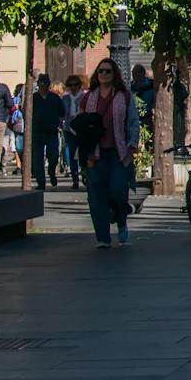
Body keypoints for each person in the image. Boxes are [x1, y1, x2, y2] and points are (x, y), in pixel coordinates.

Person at [78, 58, 134, 247]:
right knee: (96, 195)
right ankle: (103, 237)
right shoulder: (88, 98)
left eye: (108, 71)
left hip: (118, 152)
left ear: (114, 74)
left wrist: (132, 145)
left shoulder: (123, 96)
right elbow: (79, 124)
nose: (104, 74)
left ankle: (121, 220)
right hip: (95, 154)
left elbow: (133, 122)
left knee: (118, 190)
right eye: (101, 71)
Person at [29, 74, 65, 190]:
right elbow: (27, 113)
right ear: (38, 84)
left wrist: (57, 120)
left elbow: (62, 112)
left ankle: (51, 172)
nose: (43, 86)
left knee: (53, 155)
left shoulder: (54, 98)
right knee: (37, 158)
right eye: (41, 83)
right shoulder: (33, 98)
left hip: (51, 132)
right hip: (37, 132)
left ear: (49, 85)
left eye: (45, 83)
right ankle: (41, 182)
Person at [61, 75, 84, 189]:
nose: (73, 87)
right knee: (71, 153)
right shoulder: (65, 99)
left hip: (81, 129)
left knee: (83, 152)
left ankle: (84, 174)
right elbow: (62, 113)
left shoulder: (84, 97)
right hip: (68, 129)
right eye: (70, 85)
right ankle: (75, 179)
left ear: (80, 85)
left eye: (76, 85)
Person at [129, 64, 155, 134]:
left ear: (142, 73)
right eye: (133, 73)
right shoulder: (130, 87)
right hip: (134, 120)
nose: (134, 76)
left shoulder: (151, 85)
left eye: (137, 73)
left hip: (147, 119)